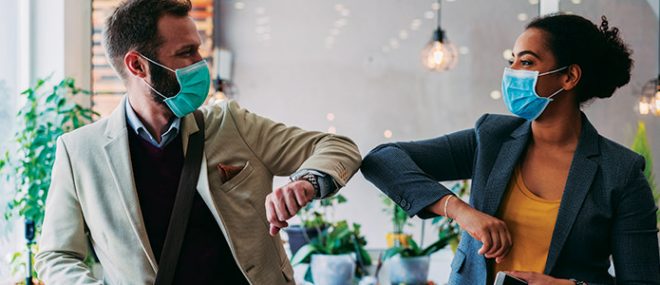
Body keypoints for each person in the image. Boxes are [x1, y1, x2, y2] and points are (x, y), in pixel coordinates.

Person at [35, 0, 361, 284]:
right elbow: (57, 254)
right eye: (186, 52)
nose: (200, 64)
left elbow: (339, 147)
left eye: (198, 49)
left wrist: (305, 183)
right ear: (138, 65)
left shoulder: (231, 123)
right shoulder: (80, 152)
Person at [362, 14, 660, 285]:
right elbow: (382, 159)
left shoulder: (621, 173)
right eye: (512, 61)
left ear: (569, 77)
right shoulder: (490, 139)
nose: (512, 72)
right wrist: (461, 211)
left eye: (527, 62)